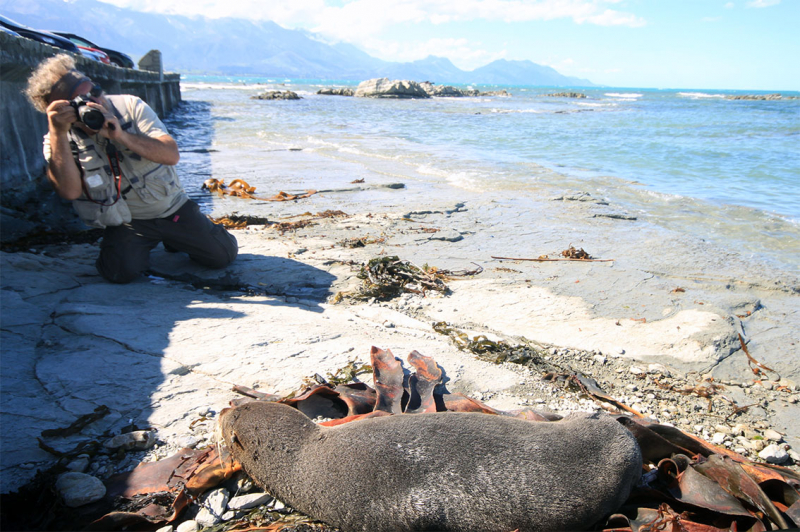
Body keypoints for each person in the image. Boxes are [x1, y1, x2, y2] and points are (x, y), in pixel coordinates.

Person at [25, 54, 238, 283]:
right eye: (81, 100)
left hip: (173, 208)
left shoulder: (130, 107)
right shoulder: (59, 138)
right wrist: (58, 131)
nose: (95, 101)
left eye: (95, 91)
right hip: (129, 221)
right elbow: (69, 192)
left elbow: (171, 154)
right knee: (118, 273)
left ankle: (177, 237)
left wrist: (121, 136)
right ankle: (140, 245)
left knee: (221, 255)